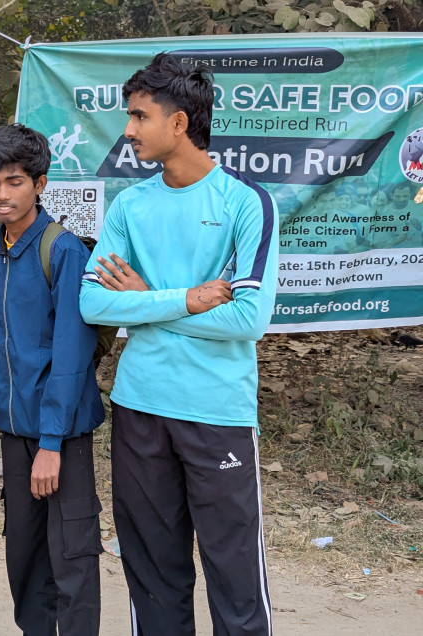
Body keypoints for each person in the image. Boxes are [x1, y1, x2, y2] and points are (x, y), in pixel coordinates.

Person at [79, 53, 279, 635]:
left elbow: (248, 318)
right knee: (154, 575)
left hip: (216, 413)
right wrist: (185, 299)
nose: (128, 129)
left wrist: (146, 305)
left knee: (235, 577)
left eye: (140, 116)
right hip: (139, 409)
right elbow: (94, 303)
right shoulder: (131, 205)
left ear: (179, 123)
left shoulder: (246, 202)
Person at [0, 124, 104, 636]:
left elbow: (72, 355)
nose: (3, 194)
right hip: (15, 433)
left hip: (60, 436)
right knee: (23, 557)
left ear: (39, 183)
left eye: (15, 182)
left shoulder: (64, 251)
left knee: (72, 556)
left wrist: (52, 445)